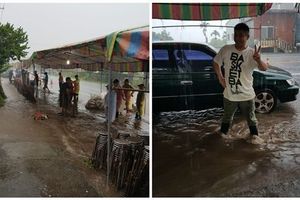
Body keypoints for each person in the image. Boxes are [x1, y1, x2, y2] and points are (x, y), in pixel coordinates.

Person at [213, 23, 268, 142]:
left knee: (251, 120)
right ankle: (221, 141)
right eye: (236, 35)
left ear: (247, 36)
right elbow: (216, 62)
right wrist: (220, 78)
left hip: (247, 95)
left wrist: (258, 59)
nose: (238, 38)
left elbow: (264, 68)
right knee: (226, 119)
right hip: (229, 95)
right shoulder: (226, 49)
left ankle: (255, 140)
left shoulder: (252, 53)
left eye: (241, 35)